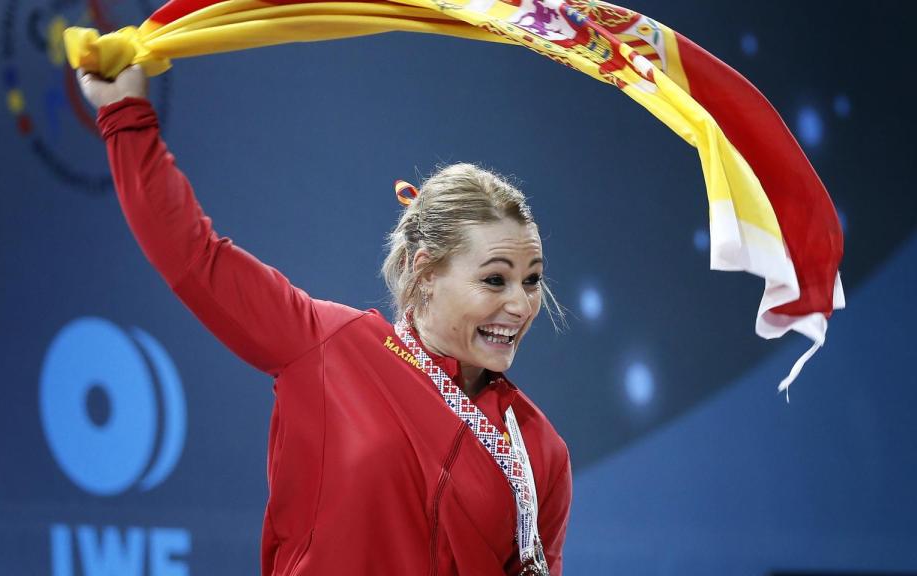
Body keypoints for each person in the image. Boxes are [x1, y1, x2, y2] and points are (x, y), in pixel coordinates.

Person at [77, 64, 572, 575]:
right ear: (424, 271)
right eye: (495, 280)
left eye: (531, 280)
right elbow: (193, 257)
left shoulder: (540, 450)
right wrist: (126, 116)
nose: (520, 304)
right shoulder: (328, 346)